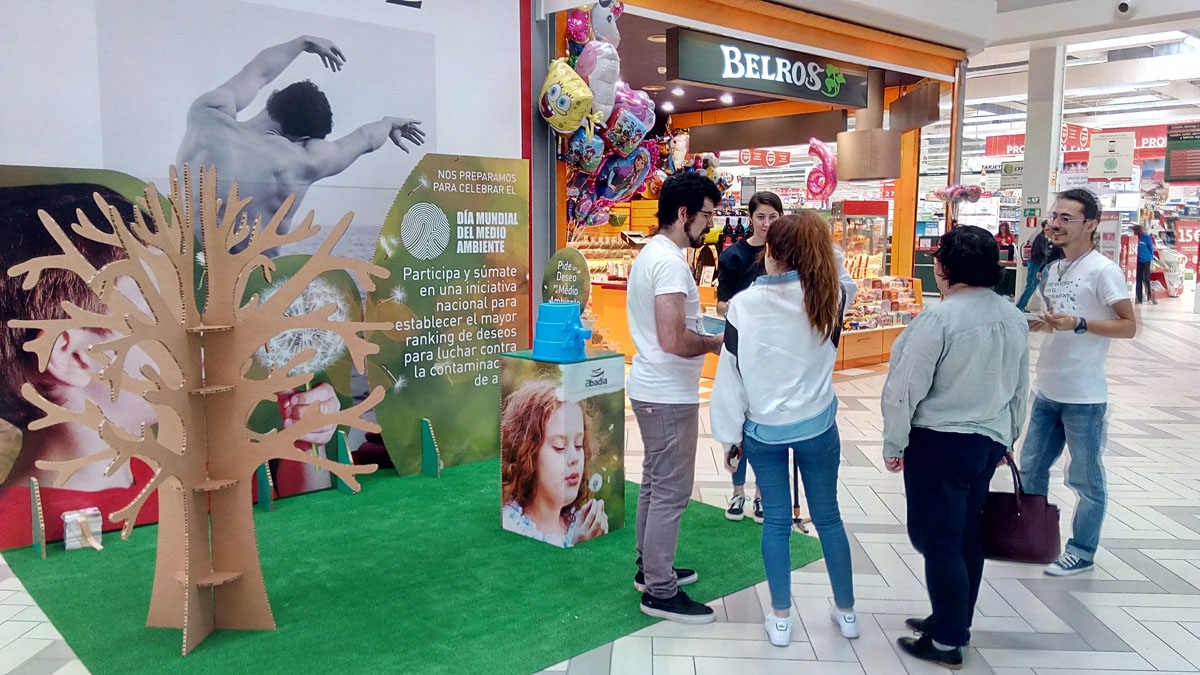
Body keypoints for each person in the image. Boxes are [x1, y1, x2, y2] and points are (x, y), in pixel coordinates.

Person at [0, 183, 343, 548]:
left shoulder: (172, 477)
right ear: (72, 356)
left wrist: (304, 444)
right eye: (164, 313)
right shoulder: (13, 539)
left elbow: (291, 540)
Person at [881, 225, 1030, 669]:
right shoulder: (1013, 317)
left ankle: (946, 642)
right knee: (966, 535)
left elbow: (904, 388)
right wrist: (1007, 437)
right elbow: (1020, 388)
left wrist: (894, 440)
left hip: (940, 443)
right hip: (986, 442)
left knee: (939, 540)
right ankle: (953, 620)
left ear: (942, 267)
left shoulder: (939, 319)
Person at [710, 212, 861, 646]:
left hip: (763, 431)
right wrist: (818, 244)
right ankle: (846, 613)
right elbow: (841, 273)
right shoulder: (831, 296)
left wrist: (729, 436)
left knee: (775, 522)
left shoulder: (743, 305)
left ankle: (780, 618)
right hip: (818, 427)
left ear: (770, 250)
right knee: (829, 517)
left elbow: (730, 379)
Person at [176, 35, 425, 248]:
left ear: (273, 96)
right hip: (246, 291)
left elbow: (257, 73)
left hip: (180, 277)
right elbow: (366, 138)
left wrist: (302, 42)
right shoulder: (302, 162)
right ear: (303, 138)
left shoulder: (207, 115)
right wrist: (389, 122)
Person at [1022, 188, 1136, 577]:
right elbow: (1061, 322)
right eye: (1053, 216)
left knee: (1085, 478)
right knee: (1032, 467)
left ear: (1091, 224)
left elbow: (1128, 326)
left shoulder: (1104, 270)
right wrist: (1039, 323)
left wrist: (1081, 324)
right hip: (1047, 390)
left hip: (1084, 397)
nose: (1055, 224)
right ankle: (1032, 537)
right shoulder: (1054, 269)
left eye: (1066, 218)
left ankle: (1082, 550)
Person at [626, 172, 723, 623]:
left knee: (654, 482)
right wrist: (711, 342)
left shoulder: (655, 255)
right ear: (683, 214)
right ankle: (659, 592)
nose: (710, 225)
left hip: (658, 388)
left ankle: (651, 569)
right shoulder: (668, 262)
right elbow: (671, 337)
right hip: (666, 392)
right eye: (706, 215)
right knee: (671, 490)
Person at [715, 191, 782, 523]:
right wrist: (744, 307)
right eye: (760, 217)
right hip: (739, 348)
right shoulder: (734, 256)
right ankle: (738, 493)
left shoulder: (786, 254)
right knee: (737, 422)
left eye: (773, 217)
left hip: (773, 352)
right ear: (749, 218)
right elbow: (720, 303)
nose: (767, 223)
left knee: (764, 422)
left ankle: (760, 496)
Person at [500, 380, 609, 548]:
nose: (575, 458)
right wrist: (575, 545)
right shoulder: (511, 524)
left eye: (579, 445)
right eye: (560, 447)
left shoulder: (577, 522)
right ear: (528, 454)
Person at [1015, 220, 1063, 312]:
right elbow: (1043, 252)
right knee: (1033, 286)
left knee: (1038, 286)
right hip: (1036, 264)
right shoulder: (1041, 238)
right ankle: (1020, 306)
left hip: (1038, 264)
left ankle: (1022, 306)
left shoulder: (1043, 238)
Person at [1133, 224, 1158, 305]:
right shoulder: (1135, 238)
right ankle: (1139, 298)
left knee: (1146, 278)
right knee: (1138, 279)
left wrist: (1151, 257)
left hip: (1146, 260)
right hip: (1138, 260)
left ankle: (1150, 296)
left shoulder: (1146, 237)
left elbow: (1150, 248)